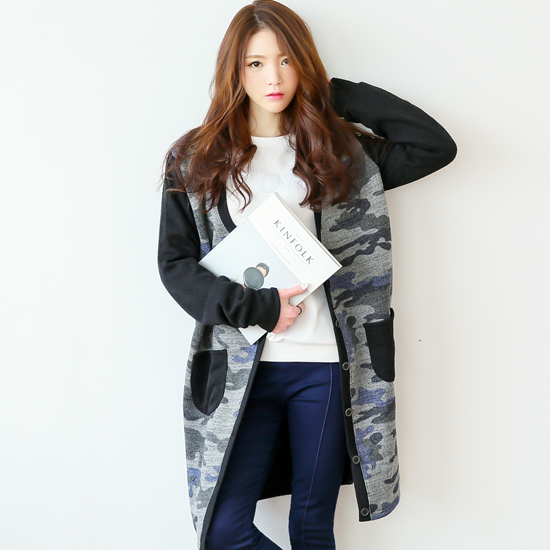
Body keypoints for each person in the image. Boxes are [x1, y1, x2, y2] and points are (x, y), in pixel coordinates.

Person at [157, 1, 457, 549]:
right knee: (222, 531)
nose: (273, 78)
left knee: (312, 527)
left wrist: (329, 93)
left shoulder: (342, 153)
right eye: (255, 64)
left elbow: (434, 146)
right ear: (234, 71)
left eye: (287, 60)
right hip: (240, 367)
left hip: (325, 364)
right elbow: (174, 266)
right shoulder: (195, 158)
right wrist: (258, 308)